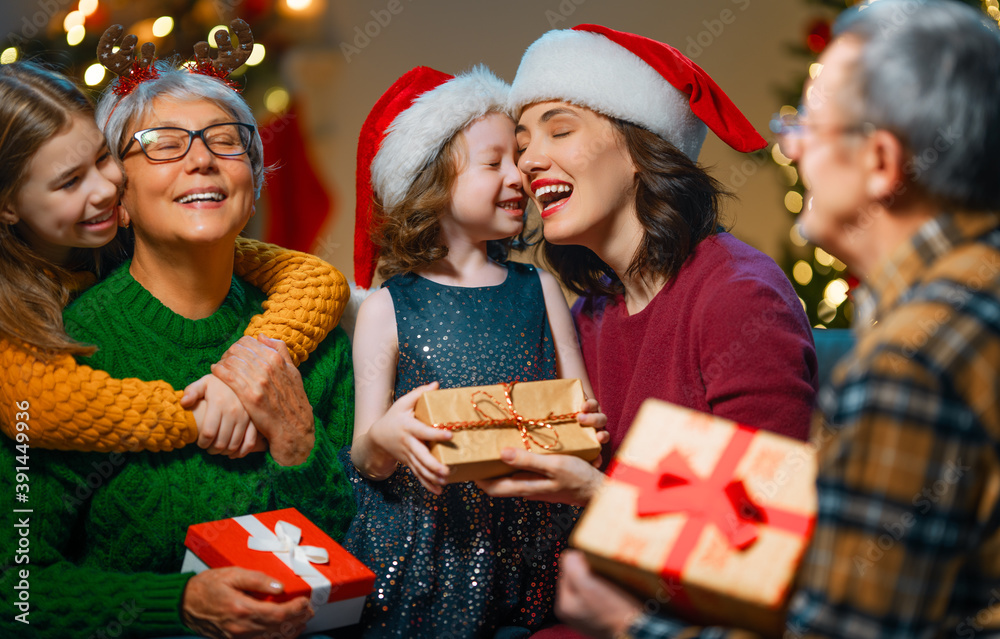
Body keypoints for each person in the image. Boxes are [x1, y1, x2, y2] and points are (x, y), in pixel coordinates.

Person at [552, 2, 1000, 636]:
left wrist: (627, 624)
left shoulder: (912, 361)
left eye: (811, 123)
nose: (789, 143)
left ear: (879, 161)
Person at [0, 39, 355, 638]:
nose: (201, 160)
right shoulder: (56, 357)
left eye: (226, 141)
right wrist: (178, 603)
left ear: (253, 181)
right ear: (121, 199)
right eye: (162, 145)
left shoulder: (314, 338)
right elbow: (17, 591)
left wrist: (296, 442)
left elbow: (369, 548)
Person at [479, 24, 816, 511]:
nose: (528, 162)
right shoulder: (588, 316)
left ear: (641, 150)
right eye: (523, 142)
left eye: (561, 130)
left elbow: (758, 527)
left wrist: (598, 495)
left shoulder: (740, 297)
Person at [346, 65, 606, 638]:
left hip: (529, 547)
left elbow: (579, 404)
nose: (521, 175)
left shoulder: (538, 288)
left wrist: (587, 424)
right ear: (432, 181)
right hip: (427, 554)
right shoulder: (387, 307)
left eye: (518, 159)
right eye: (495, 163)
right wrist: (385, 439)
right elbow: (365, 453)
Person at [0, 58, 349, 457]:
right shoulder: (28, 322)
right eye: (69, 181)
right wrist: (199, 414)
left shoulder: (111, 236)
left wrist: (248, 372)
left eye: (101, 159)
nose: (103, 189)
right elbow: (36, 408)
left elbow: (314, 276)